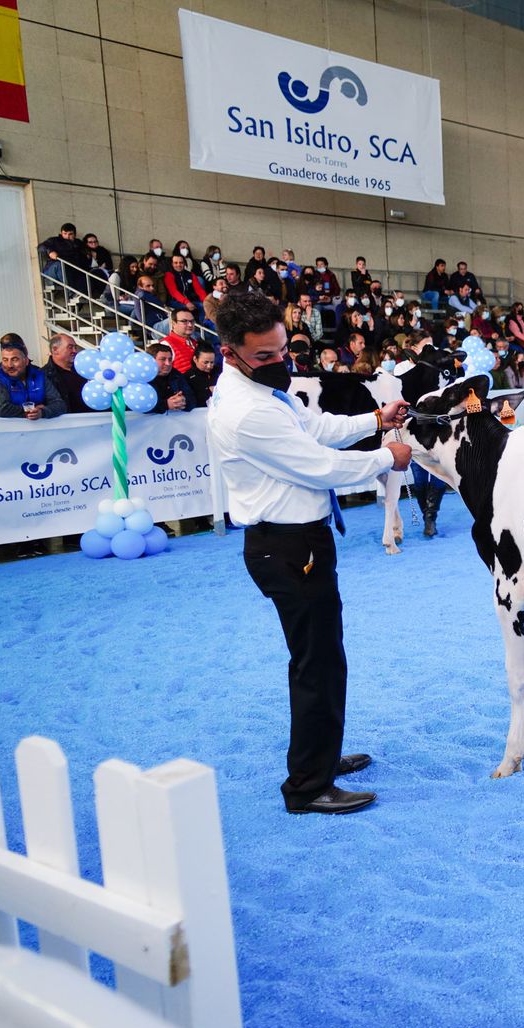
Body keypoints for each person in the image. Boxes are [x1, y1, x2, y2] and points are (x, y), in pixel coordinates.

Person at [208, 290, 411, 815]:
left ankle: (322, 756)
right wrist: (387, 456)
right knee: (316, 663)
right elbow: (319, 465)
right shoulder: (246, 411)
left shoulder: (260, 390)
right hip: (287, 545)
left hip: (299, 541)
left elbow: (313, 428)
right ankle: (307, 787)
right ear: (230, 351)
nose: (280, 362)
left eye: (282, 351)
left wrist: (375, 420)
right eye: (266, 356)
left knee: (324, 657)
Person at [0, 335, 67, 420]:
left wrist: (42, 412)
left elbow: (60, 404)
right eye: (5, 360)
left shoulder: (39, 375)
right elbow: (3, 409)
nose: (9, 365)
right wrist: (32, 410)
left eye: (14, 359)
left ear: (26, 361)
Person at [44, 333, 91, 413]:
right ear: (55, 350)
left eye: (75, 347)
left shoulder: (84, 370)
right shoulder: (44, 375)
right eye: (70, 347)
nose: (75, 351)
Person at [147, 343, 194, 414]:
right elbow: (140, 405)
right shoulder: (142, 378)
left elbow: (192, 399)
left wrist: (183, 400)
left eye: (170, 359)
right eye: (162, 359)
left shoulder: (176, 375)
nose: (168, 363)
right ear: (151, 360)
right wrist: (165, 404)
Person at [38, 222, 86, 291]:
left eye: (70, 234)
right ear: (61, 233)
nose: (67, 236)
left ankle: (80, 293)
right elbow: (41, 247)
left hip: (70, 269)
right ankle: (72, 293)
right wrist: (50, 251)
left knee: (83, 272)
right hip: (53, 270)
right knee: (60, 265)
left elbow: (85, 252)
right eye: (65, 234)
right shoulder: (54, 240)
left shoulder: (78, 243)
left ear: (74, 234)